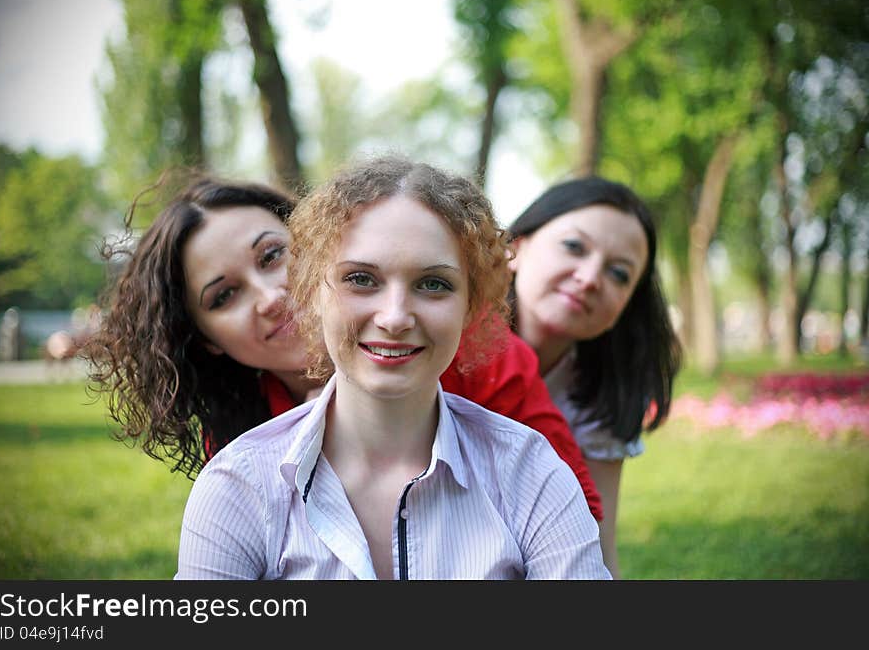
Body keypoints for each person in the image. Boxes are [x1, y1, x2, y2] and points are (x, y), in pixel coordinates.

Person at [175, 156, 610, 579]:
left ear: (471, 306)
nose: (396, 316)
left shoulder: (530, 470)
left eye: (433, 284)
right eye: (361, 279)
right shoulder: (238, 483)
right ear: (311, 291)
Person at [85, 173, 604, 519]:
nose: (271, 296)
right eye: (224, 295)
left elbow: (573, 512)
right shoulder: (239, 445)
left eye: (272, 256)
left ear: (317, 247)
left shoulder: (474, 349)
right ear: (206, 340)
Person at [507, 175, 682, 578]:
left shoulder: (608, 391)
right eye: (574, 247)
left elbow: (597, 541)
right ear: (517, 248)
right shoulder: (449, 344)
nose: (589, 278)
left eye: (619, 273)